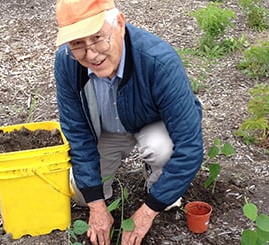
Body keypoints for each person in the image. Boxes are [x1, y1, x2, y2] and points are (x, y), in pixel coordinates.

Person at [54, 0, 203, 244]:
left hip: (151, 123)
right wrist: (97, 206)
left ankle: (157, 182)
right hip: (107, 130)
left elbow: (190, 146)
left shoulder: (158, 61)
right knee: (83, 194)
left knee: (165, 150)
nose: (91, 54)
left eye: (97, 38)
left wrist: (147, 211)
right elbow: (77, 132)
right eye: (77, 43)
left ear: (120, 24)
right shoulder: (67, 61)